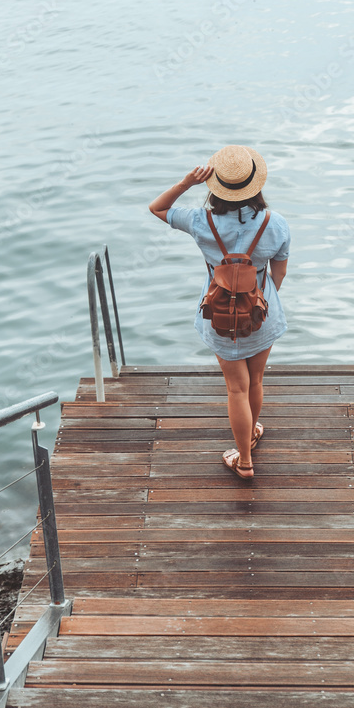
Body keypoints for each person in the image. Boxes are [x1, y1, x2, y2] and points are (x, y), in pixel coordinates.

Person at [148, 144, 290, 480]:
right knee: (255, 380)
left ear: (216, 185)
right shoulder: (276, 223)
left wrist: (186, 183)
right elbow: (279, 274)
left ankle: (244, 460)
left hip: (218, 314)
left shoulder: (201, 221)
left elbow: (157, 208)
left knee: (236, 388)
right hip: (261, 314)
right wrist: (259, 303)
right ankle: (250, 436)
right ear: (256, 184)